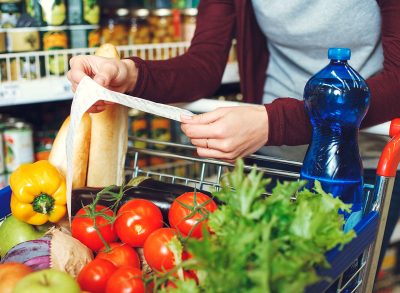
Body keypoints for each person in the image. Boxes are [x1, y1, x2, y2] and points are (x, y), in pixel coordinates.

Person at [68, 0, 400, 280]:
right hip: (268, 162)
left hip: (360, 167)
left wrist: (276, 122)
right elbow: (203, 64)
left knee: (338, 280)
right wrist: (130, 74)